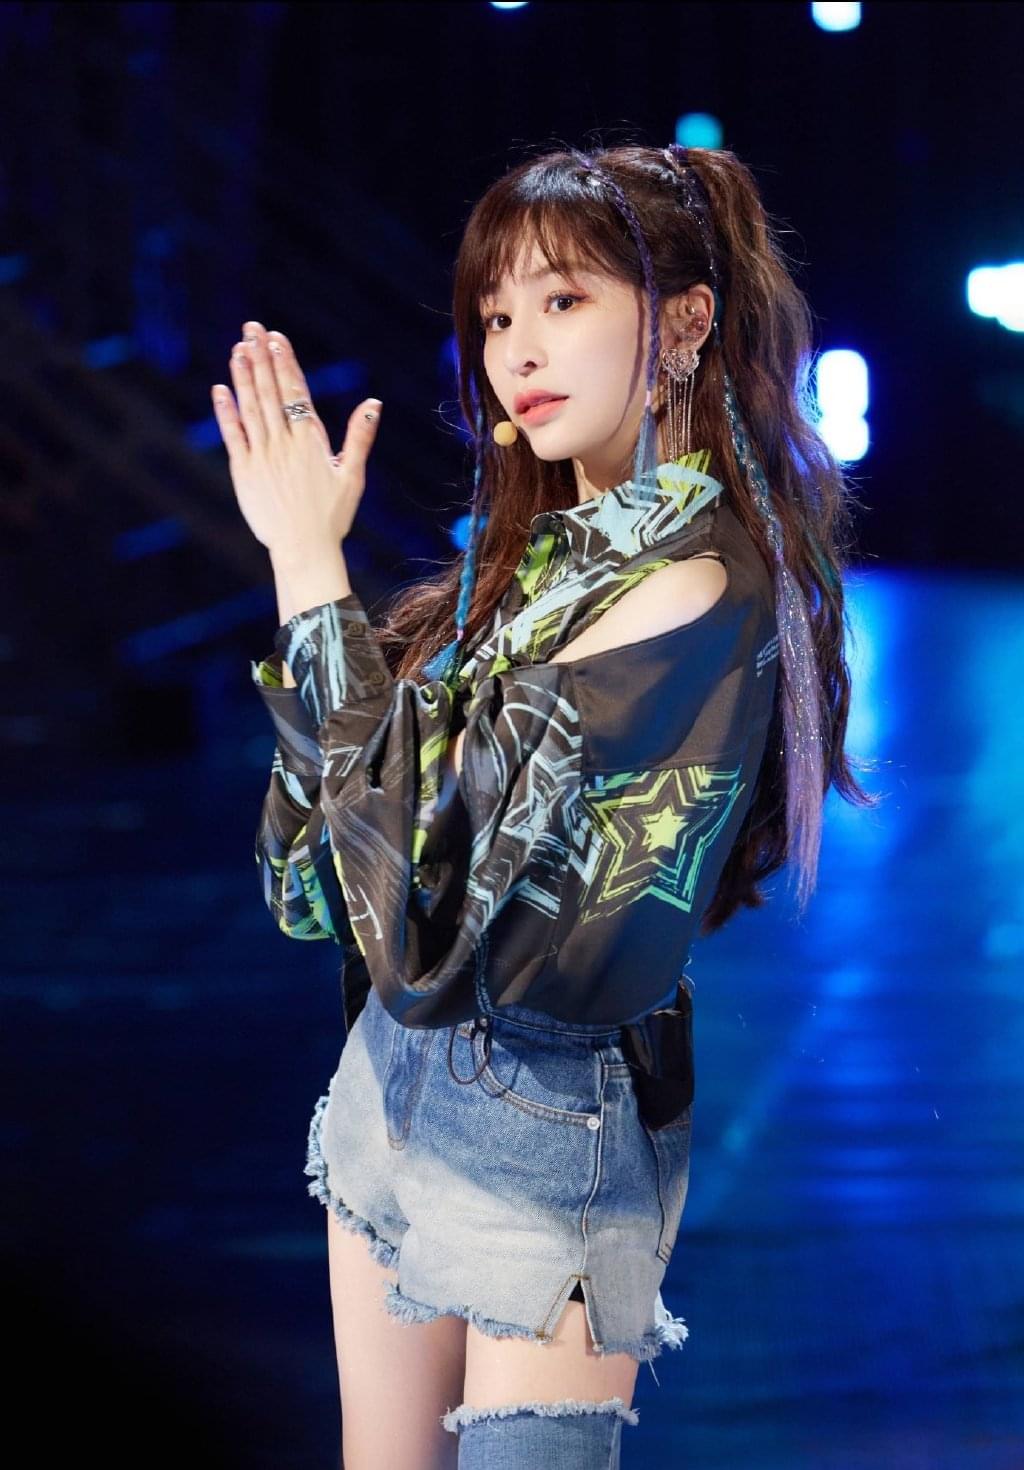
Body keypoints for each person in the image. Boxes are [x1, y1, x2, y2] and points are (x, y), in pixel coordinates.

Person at [213, 142, 876, 1470]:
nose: (519, 346)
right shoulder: (526, 579)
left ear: (682, 322)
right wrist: (315, 587)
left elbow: (417, 913)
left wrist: (307, 568)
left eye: (564, 300)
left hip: (548, 1123)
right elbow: (317, 885)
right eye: (496, 313)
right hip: (391, 1082)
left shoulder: (687, 589)